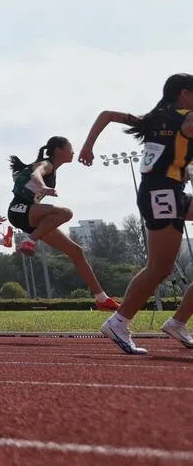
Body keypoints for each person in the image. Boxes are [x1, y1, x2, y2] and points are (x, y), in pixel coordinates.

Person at [78, 73, 193, 355]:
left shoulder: (154, 118)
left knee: (159, 267)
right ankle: (118, 322)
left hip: (166, 191)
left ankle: (178, 321)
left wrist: (88, 146)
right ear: (184, 94)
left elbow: (106, 115)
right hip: (162, 194)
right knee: (159, 268)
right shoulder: (186, 119)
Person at [7, 137, 120, 312]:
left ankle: (102, 299)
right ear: (59, 151)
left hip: (33, 217)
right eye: (71, 148)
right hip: (19, 210)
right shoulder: (47, 164)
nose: (73, 152)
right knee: (65, 213)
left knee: (76, 251)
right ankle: (29, 241)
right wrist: (43, 186)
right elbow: (35, 173)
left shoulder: (53, 168)